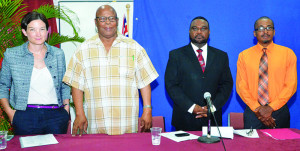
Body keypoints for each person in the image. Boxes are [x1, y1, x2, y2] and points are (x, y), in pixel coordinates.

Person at [63, 5, 158, 135]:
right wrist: (79, 114)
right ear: (95, 22)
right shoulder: (83, 50)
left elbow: (144, 81)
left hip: (127, 124)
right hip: (96, 124)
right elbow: (76, 85)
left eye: (111, 18)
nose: (107, 22)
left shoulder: (134, 48)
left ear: (117, 21)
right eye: (102, 19)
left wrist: (147, 109)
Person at [0, 12, 70, 135]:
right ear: (24, 32)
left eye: (42, 29)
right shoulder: (12, 55)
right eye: (32, 29)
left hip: (56, 116)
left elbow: (64, 84)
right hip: (25, 116)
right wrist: (10, 113)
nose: (38, 34)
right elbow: (3, 85)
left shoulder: (58, 54)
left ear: (47, 31)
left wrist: (66, 109)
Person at [165, 16, 233, 131]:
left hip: (212, 119)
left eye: (203, 28)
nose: (199, 32)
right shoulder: (176, 55)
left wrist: (212, 107)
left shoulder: (221, 56)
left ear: (209, 32)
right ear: (189, 31)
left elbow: (227, 84)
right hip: (184, 119)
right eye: (195, 28)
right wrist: (192, 107)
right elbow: (171, 85)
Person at [236, 16, 297, 129]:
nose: (265, 31)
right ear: (254, 33)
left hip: (279, 111)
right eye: (261, 28)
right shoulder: (244, 56)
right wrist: (258, 109)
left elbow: (291, 85)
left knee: (281, 146)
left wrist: (271, 108)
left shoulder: (288, 54)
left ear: (274, 31)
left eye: (269, 28)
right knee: (252, 146)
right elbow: (241, 86)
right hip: (253, 112)